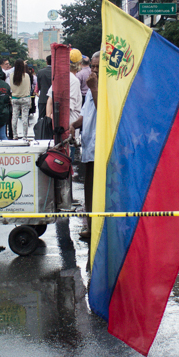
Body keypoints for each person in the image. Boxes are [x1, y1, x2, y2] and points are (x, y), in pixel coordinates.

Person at [75, 71, 98, 241]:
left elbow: (103, 111)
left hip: (101, 149)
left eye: (99, 66)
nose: (95, 70)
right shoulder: (91, 89)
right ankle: (90, 227)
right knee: (89, 191)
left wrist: (95, 88)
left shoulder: (100, 88)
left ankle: (98, 230)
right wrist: (74, 124)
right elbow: (85, 113)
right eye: (93, 66)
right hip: (89, 147)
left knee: (100, 192)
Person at [9, 59, 32, 139]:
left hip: (15, 98)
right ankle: (25, 136)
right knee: (24, 118)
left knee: (14, 117)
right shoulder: (26, 76)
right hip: (25, 98)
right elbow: (29, 88)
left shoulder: (11, 75)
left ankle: (15, 135)